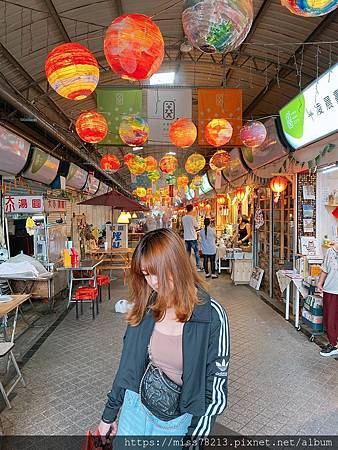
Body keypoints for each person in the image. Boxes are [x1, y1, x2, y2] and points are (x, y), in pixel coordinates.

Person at [97, 229, 230, 448]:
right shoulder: (146, 306)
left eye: (158, 272)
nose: (153, 282)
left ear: (177, 264)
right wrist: (108, 416)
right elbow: (127, 367)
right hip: (134, 410)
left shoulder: (210, 315)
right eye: (146, 274)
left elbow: (214, 389)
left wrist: (194, 439)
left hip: (176, 422)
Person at [317, 241, 338, 357]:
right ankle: (333, 344)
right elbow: (325, 269)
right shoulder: (330, 251)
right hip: (331, 290)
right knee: (330, 319)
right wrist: (319, 283)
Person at [182, 204, 202, 271]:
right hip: (193, 237)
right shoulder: (192, 218)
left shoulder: (183, 218)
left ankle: (186, 266)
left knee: (188, 253)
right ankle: (198, 267)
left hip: (186, 237)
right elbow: (196, 226)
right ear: (191, 209)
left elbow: (183, 227)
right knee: (196, 252)